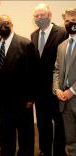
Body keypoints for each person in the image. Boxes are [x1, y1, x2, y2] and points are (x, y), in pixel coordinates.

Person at [0, 15, 36, 156]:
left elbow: (32, 72)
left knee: (25, 135)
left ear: (12, 25)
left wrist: (30, 98)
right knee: (5, 133)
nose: (2, 26)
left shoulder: (25, 43)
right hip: (2, 101)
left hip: (22, 100)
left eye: (6, 23)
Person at [31, 3, 68, 156]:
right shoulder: (33, 35)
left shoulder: (62, 32)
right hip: (40, 91)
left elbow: (65, 61)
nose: (39, 18)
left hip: (57, 88)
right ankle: (44, 150)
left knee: (59, 123)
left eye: (42, 15)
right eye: (36, 16)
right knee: (42, 123)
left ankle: (59, 151)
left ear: (50, 15)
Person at [53, 8, 76, 156]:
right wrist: (57, 90)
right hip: (64, 101)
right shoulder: (61, 46)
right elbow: (56, 70)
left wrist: (72, 91)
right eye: (67, 21)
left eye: (74, 20)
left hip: (73, 94)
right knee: (70, 140)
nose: (70, 23)